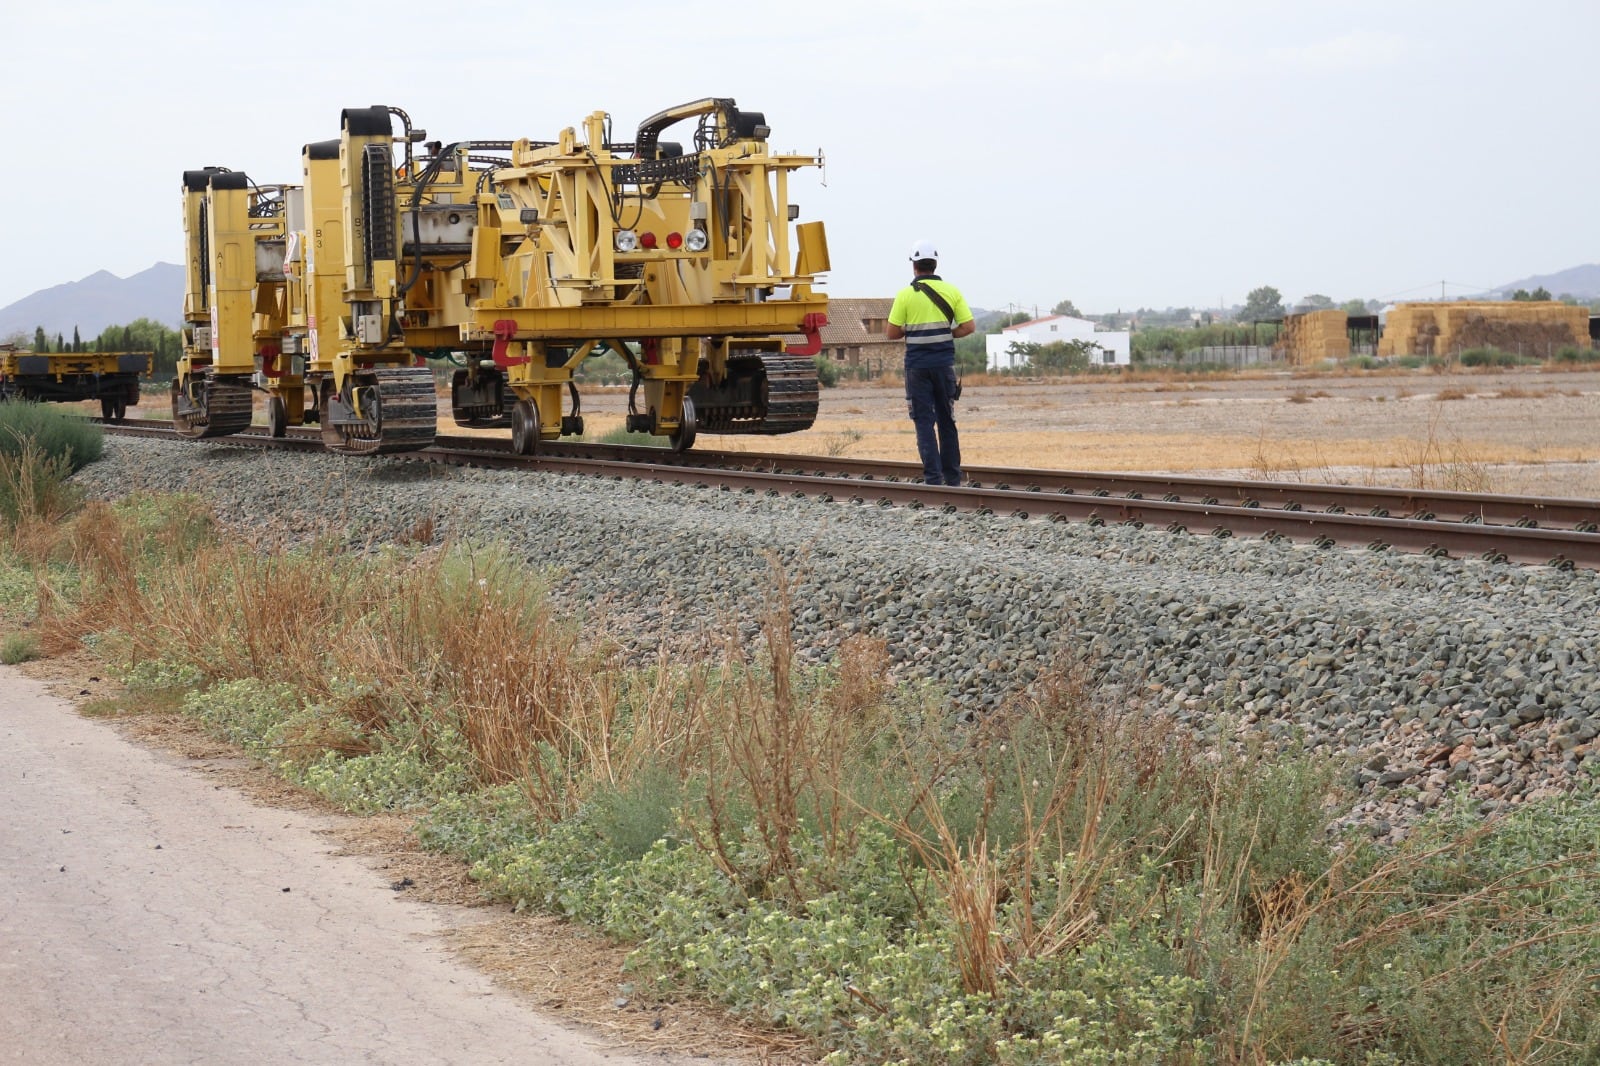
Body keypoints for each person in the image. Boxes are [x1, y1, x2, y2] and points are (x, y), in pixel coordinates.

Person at [886, 240, 975, 486]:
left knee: (924, 423)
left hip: (917, 367)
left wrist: (912, 330)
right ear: (935, 265)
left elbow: (891, 333)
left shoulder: (905, 295)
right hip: (944, 364)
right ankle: (953, 479)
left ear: (914, 267)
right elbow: (968, 327)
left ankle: (933, 481)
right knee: (947, 421)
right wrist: (948, 335)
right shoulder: (952, 291)